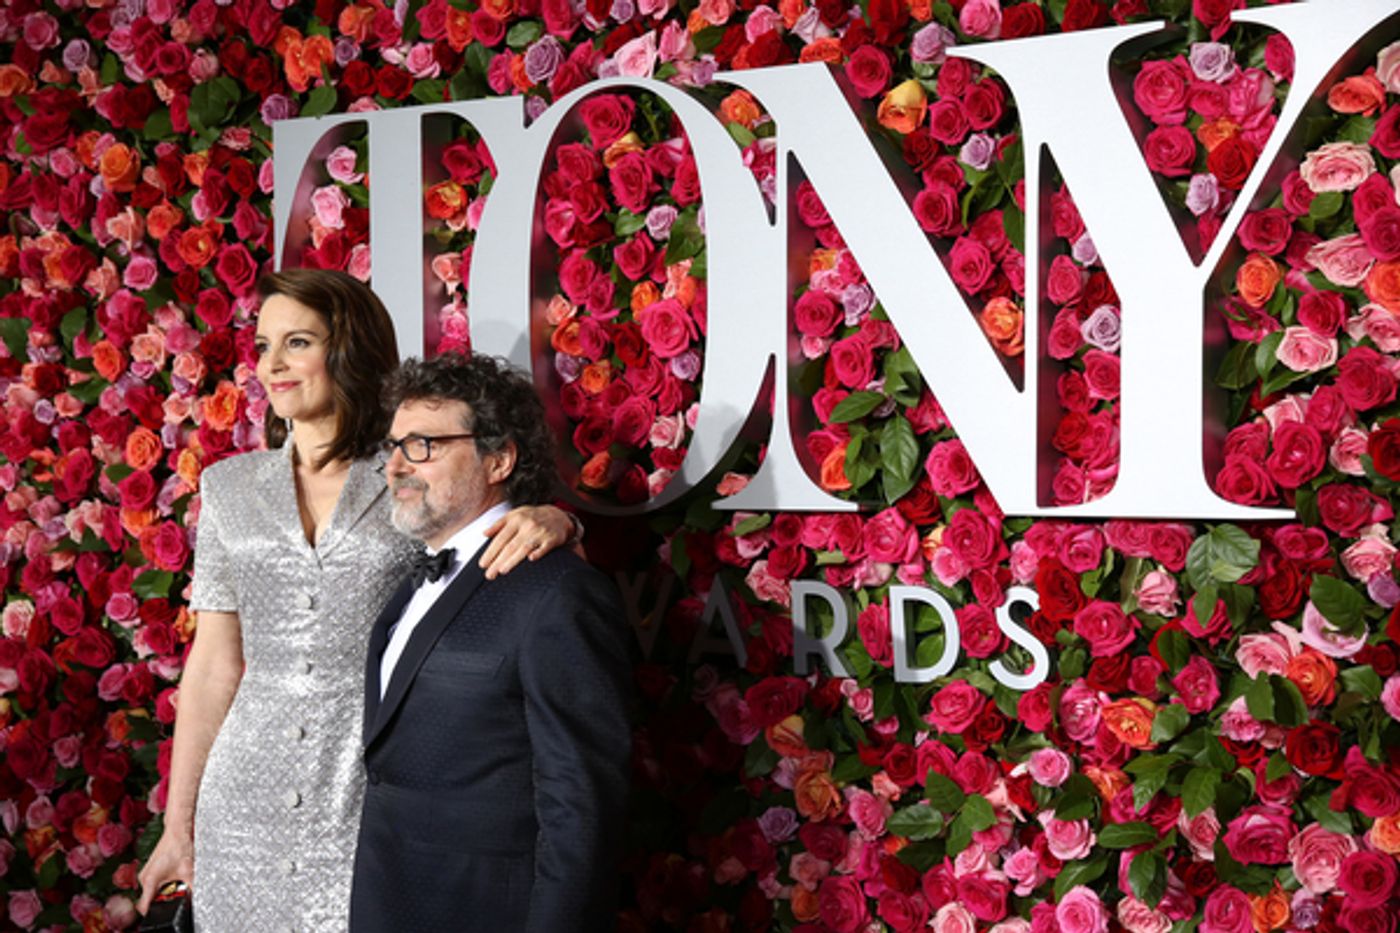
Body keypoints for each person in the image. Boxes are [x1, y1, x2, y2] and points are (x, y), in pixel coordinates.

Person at [136, 269, 578, 931]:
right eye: (264, 344)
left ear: (347, 350)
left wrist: (563, 521)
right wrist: (179, 823)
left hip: (364, 800)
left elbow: (487, 550)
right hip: (240, 806)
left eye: (297, 342)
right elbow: (212, 667)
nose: (272, 364)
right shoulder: (229, 488)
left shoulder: (409, 472)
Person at [349, 353, 631, 933]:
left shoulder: (557, 592)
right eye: (394, 446)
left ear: (499, 457)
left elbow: (580, 808)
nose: (397, 467)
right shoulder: (411, 584)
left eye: (423, 445)